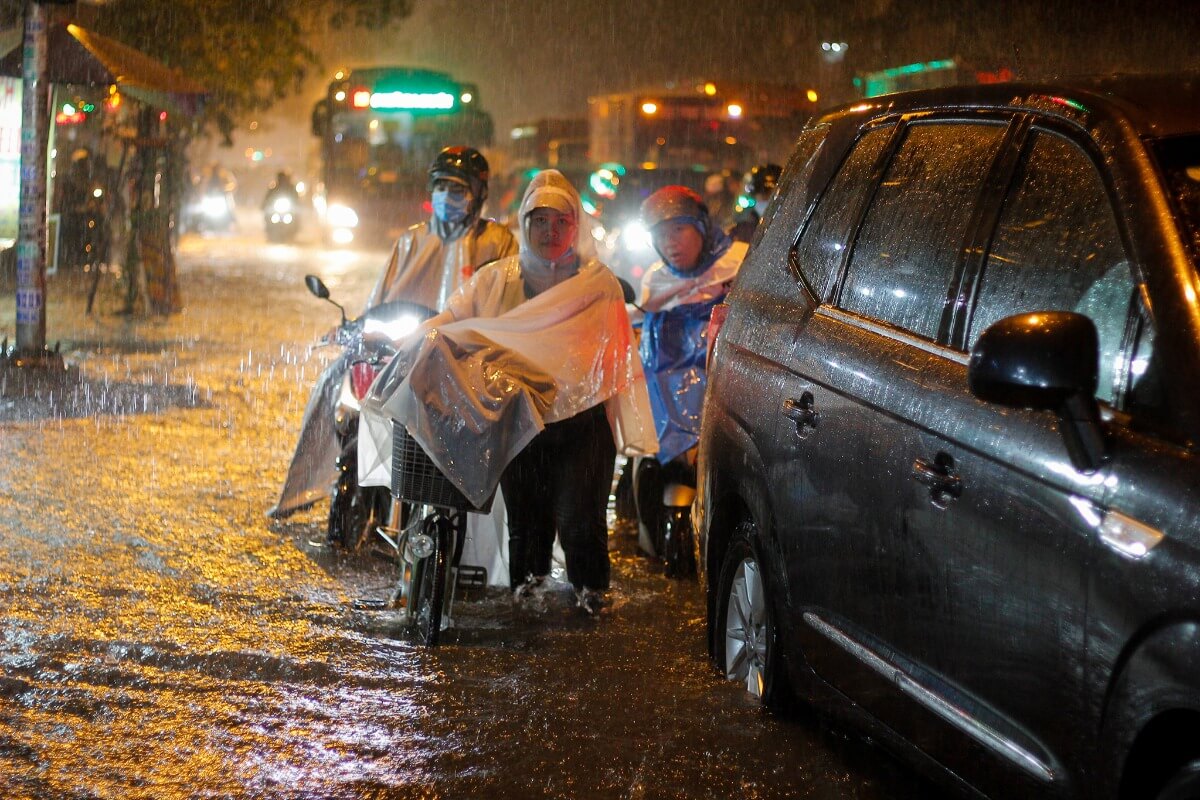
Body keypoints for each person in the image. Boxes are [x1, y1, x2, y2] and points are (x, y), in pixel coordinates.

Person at [385, 169, 654, 615]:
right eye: (540, 221)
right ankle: (526, 601)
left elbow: (616, 355)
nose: (551, 232)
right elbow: (453, 318)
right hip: (516, 417)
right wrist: (405, 346)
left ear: (577, 226)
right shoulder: (495, 280)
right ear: (524, 225)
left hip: (582, 421)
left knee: (580, 518)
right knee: (526, 521)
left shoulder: (597, 285)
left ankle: (592, 595)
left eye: (561, 222)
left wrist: (572, 381)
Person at [635, 186, 749, 538]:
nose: (671, 243)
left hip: (726, 394)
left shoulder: (740, 265)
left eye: (678, 230)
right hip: (668, 408)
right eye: (661, 235)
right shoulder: (657, 282)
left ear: (701, 228)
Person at [365, 146, 517, 312]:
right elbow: (378, 300)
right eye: (440, 188)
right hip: (412, 335)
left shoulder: (498, 240)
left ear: (479, 193)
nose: (446, 196)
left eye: (457, 190)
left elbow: (512, 299)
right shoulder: (411, 240)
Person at [730, 163, 782, 242]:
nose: (763, 195)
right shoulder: (746, 224)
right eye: (761, 190)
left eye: (769, 190)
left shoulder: (784, 213)